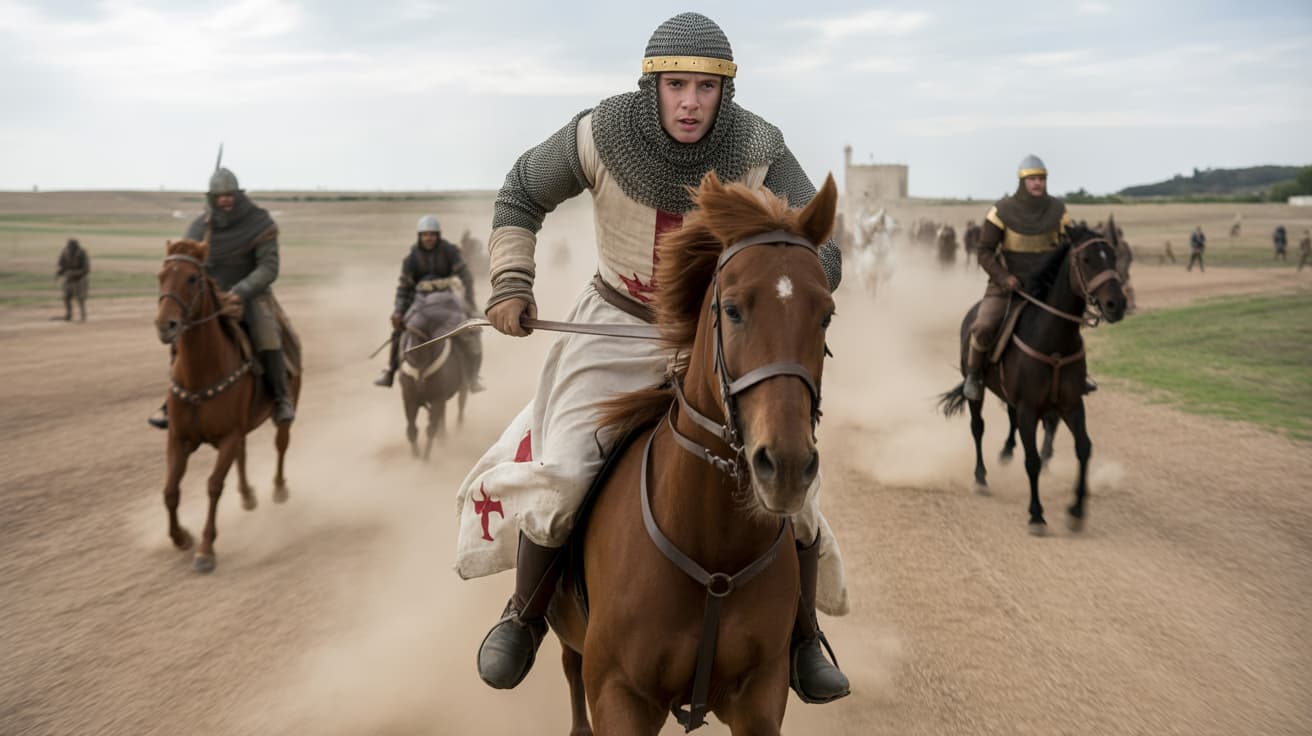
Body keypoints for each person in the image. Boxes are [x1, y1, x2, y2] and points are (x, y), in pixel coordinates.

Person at [460, 11, 850, 705]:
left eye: (705, 88)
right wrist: (512, 281)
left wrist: (795, 280)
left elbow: (820, 245)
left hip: (718, 334)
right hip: (615, 326)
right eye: (676, 86)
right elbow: (522, 190)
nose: (690, 103)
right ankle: (524, 615)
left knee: (794, 480)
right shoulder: (599, 135)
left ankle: (802, 636)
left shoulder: (759, 146)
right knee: (564, 471)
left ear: (725, 91)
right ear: (652, 87)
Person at [147, 166, 295, 429]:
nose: (225, 200)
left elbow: (268, 268)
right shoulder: (199, 227)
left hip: (251, 294)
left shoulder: (259, 223)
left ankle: (281, 397)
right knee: (182, 337)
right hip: (210, 295)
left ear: (238, 195)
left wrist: (239, 291)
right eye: (220, 196)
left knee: (267, 335)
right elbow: (188, 265)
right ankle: (172, 402)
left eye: (229, 195)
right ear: (212, 198)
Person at [962, 154, 1083, 401]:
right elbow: (984, 252)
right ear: (1022, 182)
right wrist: (1004, 278)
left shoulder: (1058, 211)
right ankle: (974, 375)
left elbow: (1070, 245)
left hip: (1046, 289)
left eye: (1041, 179)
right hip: (1007, 288)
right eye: (1032, 179)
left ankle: (1078, 375)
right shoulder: (1001, 211)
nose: (1038, 183)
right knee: (984, 326)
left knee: (1068, 327)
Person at [373, 215, 484, 391]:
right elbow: (404, 288)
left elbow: (466, 277)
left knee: (471, 330)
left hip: (448, 301)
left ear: (437, 235)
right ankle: (390, 371)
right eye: (425, 234)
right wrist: (399, 311)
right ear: (420, 236)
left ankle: (472, 377)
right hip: (420, 303)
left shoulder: (450, 252)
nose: (428, 238)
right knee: (401, 330)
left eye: (432, 234)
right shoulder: (412, 259)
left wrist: (470, 302)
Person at [54, 238, 90, 322]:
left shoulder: (82, 253)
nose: (69, 247)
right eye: (69, 245)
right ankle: (69, 315)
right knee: (66, 297)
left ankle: (83, 316)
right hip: (68, 279)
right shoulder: (65, 252)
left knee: (80, 298)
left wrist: (73, 273)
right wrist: (59, 273)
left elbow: (86, 269)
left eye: (71, 246)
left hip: (79, 280)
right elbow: (62, 265)